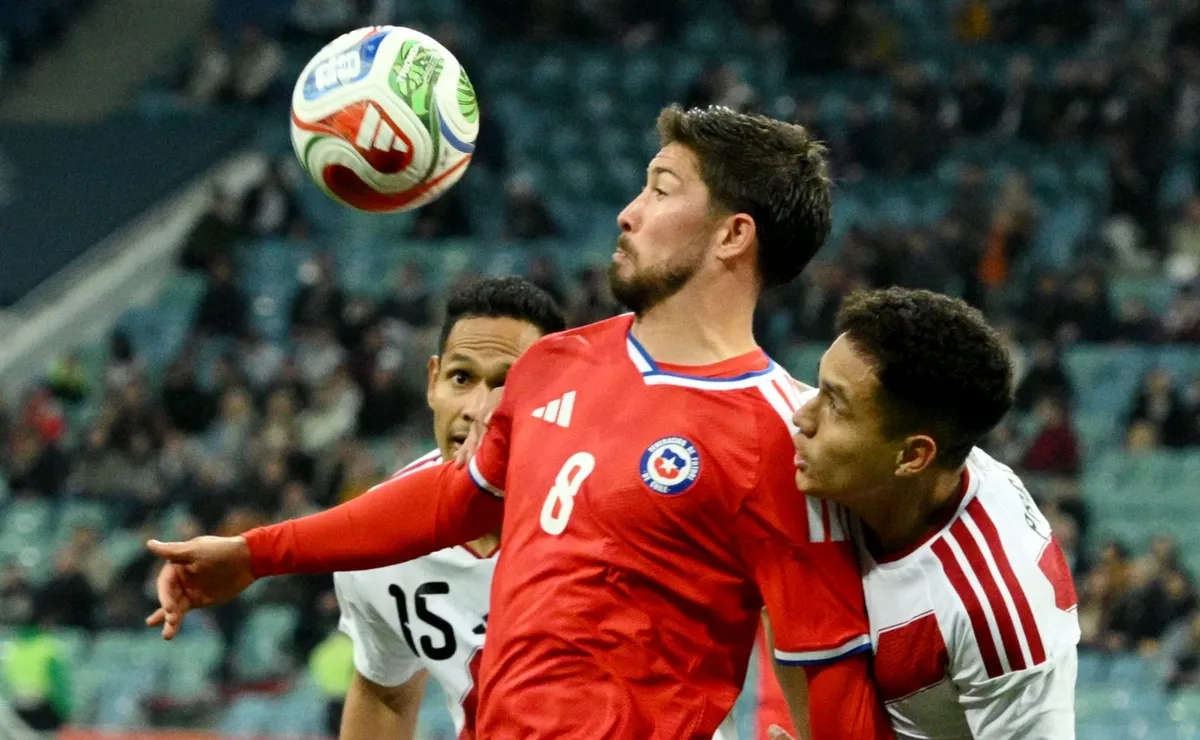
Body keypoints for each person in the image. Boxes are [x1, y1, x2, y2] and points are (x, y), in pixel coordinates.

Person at [145, 106, 891, 739]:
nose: (628, 211)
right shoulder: (555, 365)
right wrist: (255, 553)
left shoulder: (783, 438)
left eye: (661, 189)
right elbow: (451, 501)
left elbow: (825, 674)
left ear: (733, 236)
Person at [769, 287, 1079, 739]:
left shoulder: (992, 608)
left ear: (912, 456)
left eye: (835, 404)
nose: (802, 416)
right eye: (818, 386)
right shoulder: (872, 463)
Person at [333, 277, 566, 740]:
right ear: (432, 382)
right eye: (462, 378)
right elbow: (385, 693)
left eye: (508, 384)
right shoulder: (381, 543)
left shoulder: (624, 505)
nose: (478, 409)